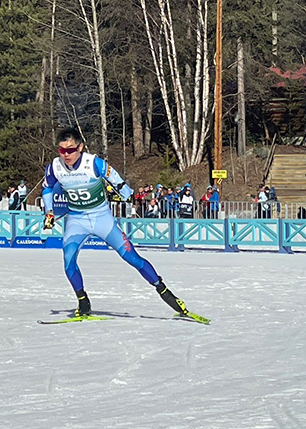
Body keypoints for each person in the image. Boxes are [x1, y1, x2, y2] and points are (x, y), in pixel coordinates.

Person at [41, 127, 194, 318]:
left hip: (101, 219)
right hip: (77, 220)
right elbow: (46, 189)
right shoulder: (55, 167)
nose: (66, 155)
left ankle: (166, 293)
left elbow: (118, 182)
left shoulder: (93, 163)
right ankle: (83, 301)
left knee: (132, 258)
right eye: (62, 150)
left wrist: (127, 196)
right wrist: (49, 211)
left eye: (71, 150)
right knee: (68, 261)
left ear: (80, 147)